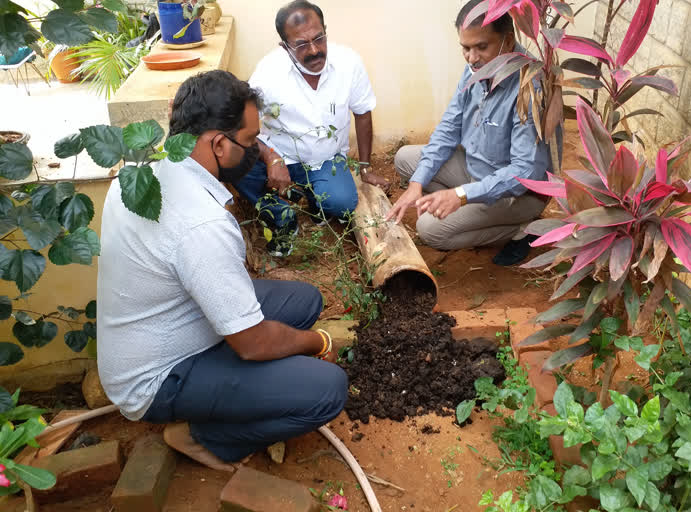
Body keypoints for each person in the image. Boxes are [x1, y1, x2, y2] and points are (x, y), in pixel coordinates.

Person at [97, 70, 347, 471]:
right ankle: (203, 437)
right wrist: (317, 343)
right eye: (250, 142)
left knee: (304, 300)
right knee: (328, 390)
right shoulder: (202, 224)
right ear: (217, 144)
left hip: (167, 323)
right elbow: (254, 344)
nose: (254, 150)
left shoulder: (139, 175)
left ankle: (231, 388)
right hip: (154, 378)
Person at [386, 0, 554, 266]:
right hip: (475, 168)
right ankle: (465, 205)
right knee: (406, 159)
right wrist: (417, 184)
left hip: (516, 194)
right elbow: (449, 127)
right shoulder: (475, 68)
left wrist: (461, 195)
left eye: (481, 47)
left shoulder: (530, 86)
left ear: (508, 41)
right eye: (465, 48)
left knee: (430, 230)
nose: (472, 58)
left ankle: (525, 228)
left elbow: (525, 172)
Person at [233, 0, 389, 254]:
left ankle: (314, 199)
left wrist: (365, 167)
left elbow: (362, 113)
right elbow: (242, 125)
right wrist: (271, 157)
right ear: (284, 46)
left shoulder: (349, 63)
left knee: (341, 203)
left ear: (326, 31)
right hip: (280, 160)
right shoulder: (268, 72)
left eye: (319, 38)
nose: (315, 50)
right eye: (302, 44)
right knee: (236, 164)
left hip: (325, 159)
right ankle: (282, 216)